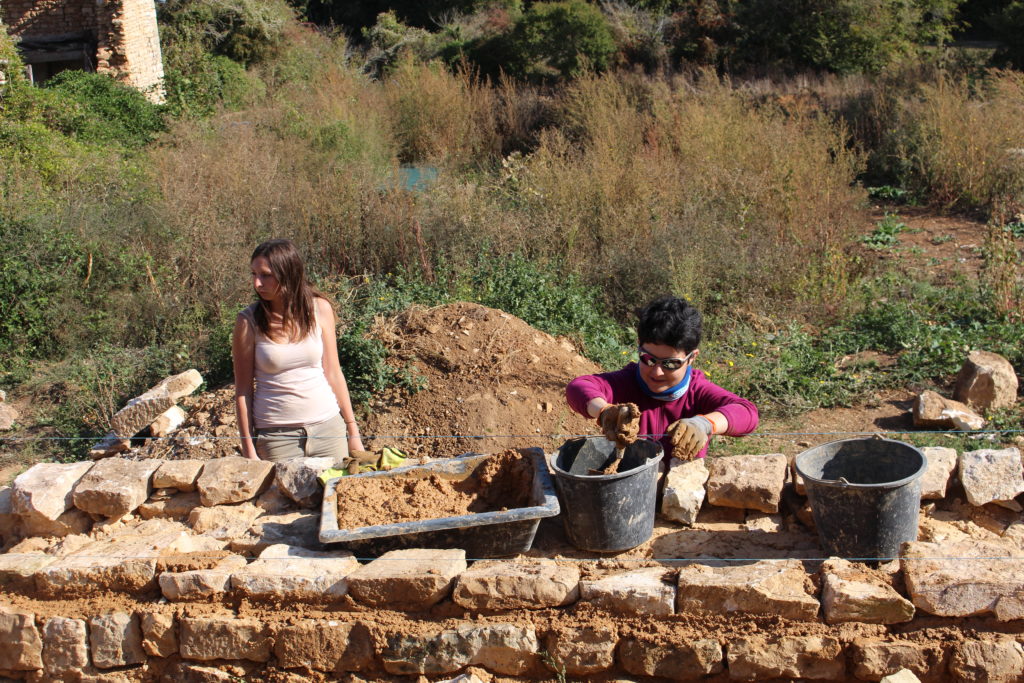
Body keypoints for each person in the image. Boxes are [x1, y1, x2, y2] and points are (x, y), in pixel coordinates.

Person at [565, 296, 758, 460]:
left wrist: (706, 424)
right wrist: (605, 411)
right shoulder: (625, 383)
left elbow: (747, 413)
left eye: (670, 364)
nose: (657, 372)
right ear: (639, 345)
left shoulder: (696, 391)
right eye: (648, 359)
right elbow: (578, 386)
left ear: (692, 358)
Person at [232, 238, 365, 463]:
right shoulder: (248, 321)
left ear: (288, 274)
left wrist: (352, 431)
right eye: (253, 274)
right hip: (277, 438)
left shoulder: (320, 309)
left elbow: (333, 372)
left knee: (334, 496)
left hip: (328, 429)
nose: (257, 283)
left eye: (265, 275)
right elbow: (243, 390)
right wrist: (249, 450)